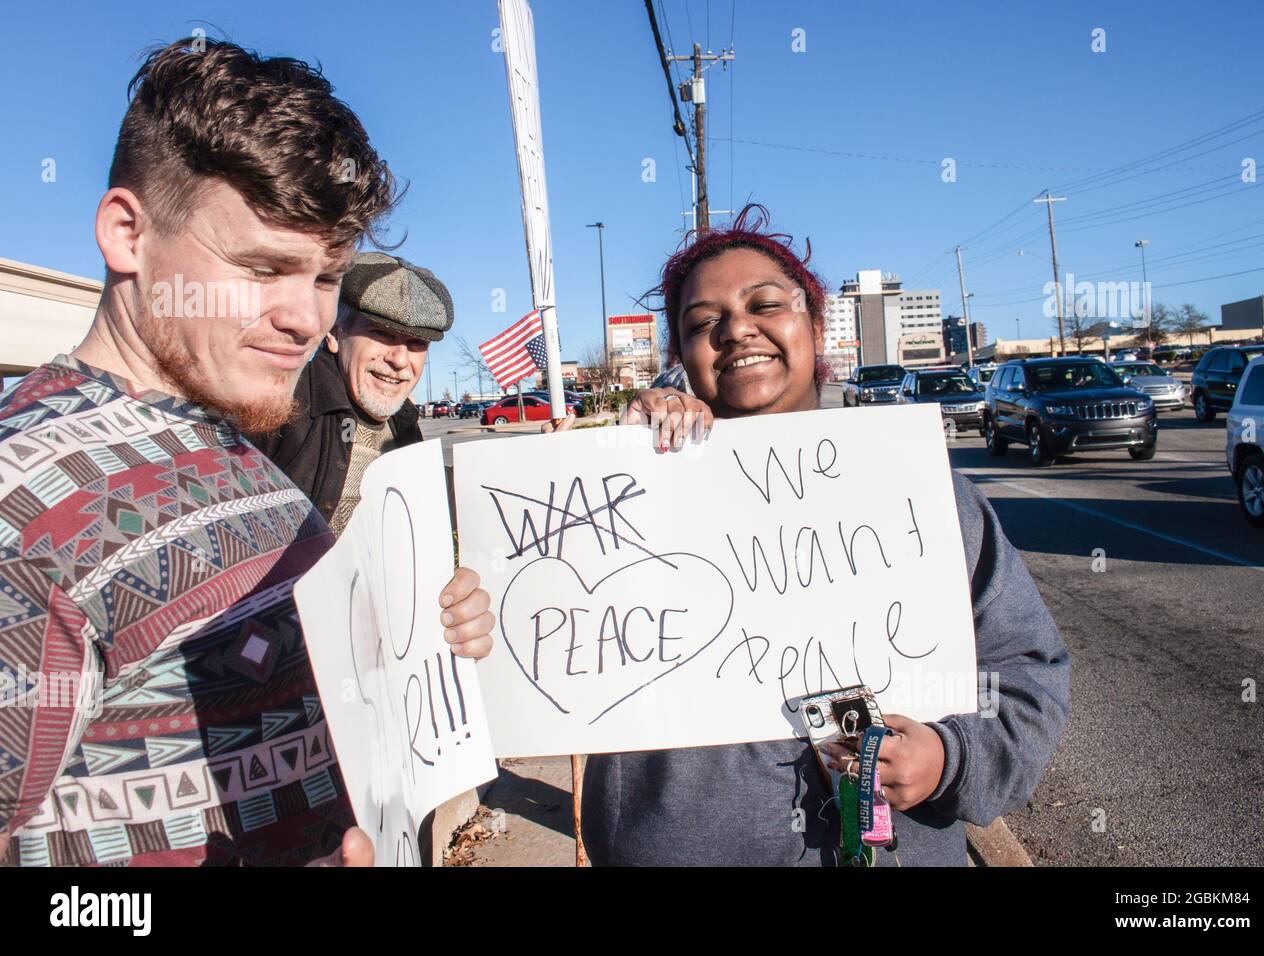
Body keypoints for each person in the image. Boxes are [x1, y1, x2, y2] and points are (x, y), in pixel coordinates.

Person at [0, 38, 494, 867]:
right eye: (263, 269)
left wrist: (427, 633)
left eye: (325, 277)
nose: (306, 319)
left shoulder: (229, 434)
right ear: (128, 233)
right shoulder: (28, 512)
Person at [559, 206, 1070, 866]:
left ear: (816, 326)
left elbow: (1028, 672)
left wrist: (949, 758)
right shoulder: (635, 493)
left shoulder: (922, 490)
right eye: (702, 323)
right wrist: (616, 472)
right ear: (680, 359)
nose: (736, 328)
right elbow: (549, 632)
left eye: (765, 304)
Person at [250, 252, 453, 533]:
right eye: (382, 334)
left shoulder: (405, 423)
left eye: (416, 343)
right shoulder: (275, 408)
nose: (399, 359)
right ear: (333, 333)